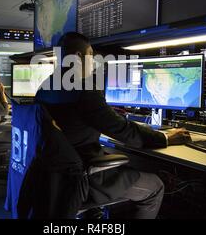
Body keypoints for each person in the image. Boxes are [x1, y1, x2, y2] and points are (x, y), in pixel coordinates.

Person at [35, 32, 191, 219]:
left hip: (56, 177)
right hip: (82, 177)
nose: (93, 62)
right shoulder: (83, 89)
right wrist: (165, 137)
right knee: (155, 186)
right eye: (91, 55)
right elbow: (123, 130)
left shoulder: (44, 87)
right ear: (78, 57)